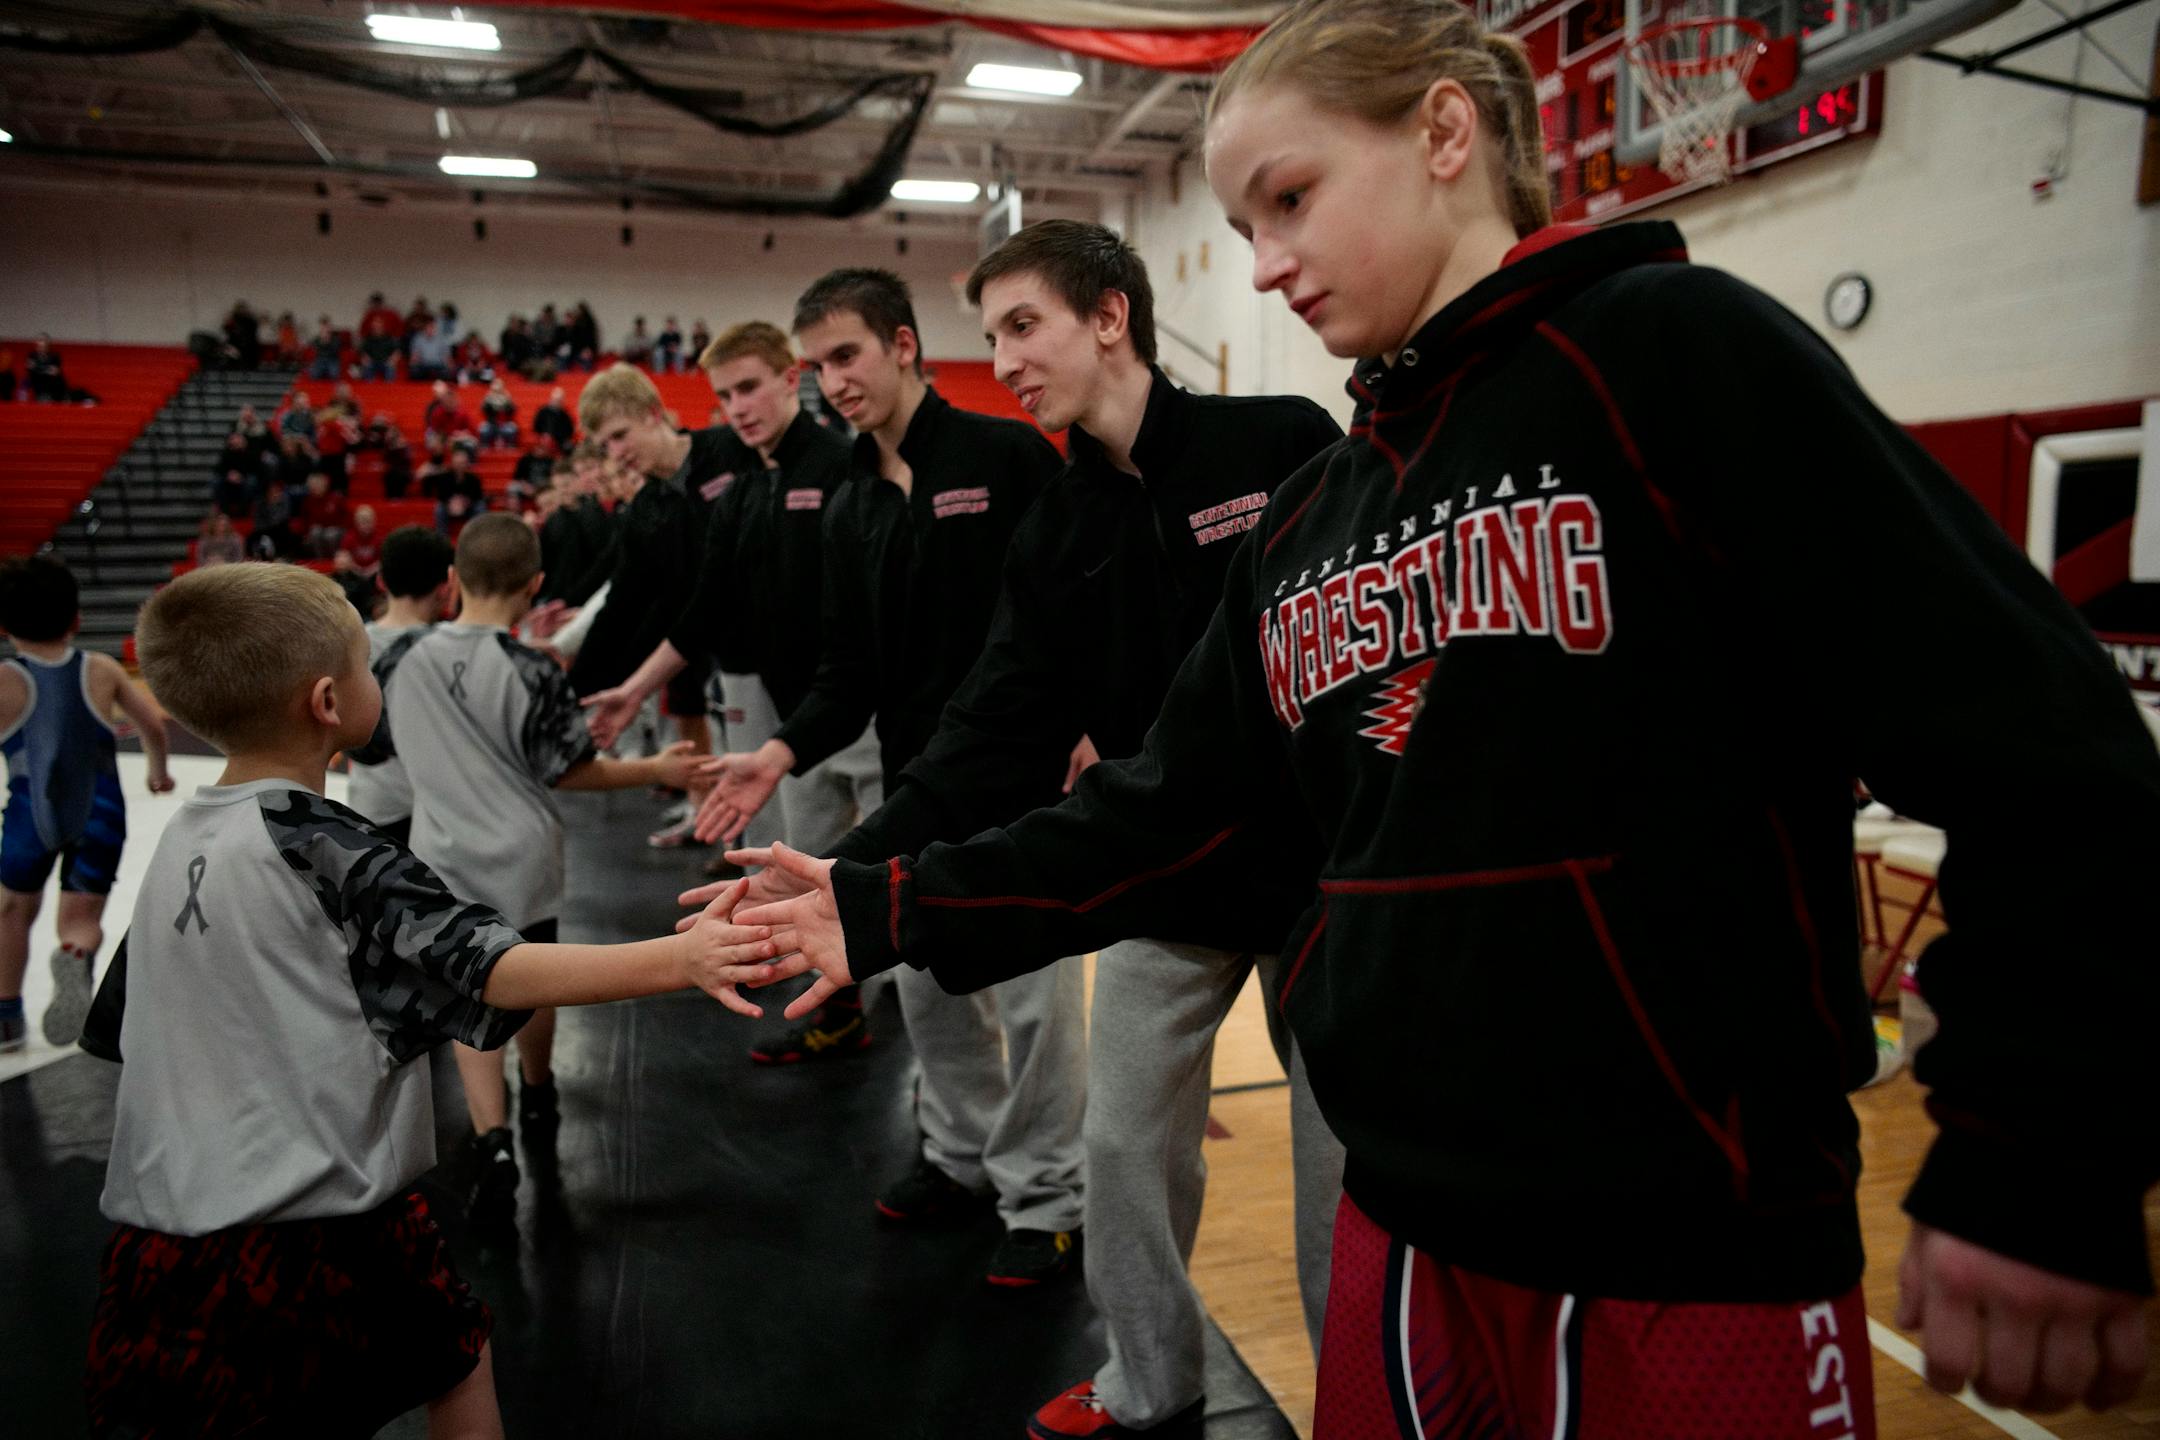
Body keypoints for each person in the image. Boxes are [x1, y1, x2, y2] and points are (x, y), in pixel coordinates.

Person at [733, 0, 2160, 1431]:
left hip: (1692, 1232)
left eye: (1290, 199)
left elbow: (2044, 749)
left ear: (1444, 131)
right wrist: (886, 901)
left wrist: (2034, 1154)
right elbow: (1166, 805)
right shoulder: (1319, 507)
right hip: (1405, 1227)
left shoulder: (1667, 350)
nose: (1267, 264)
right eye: (1242, 230)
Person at [720, 220, 1345, 1439]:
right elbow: (985, 730)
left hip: (1324, 886)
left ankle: (1357, 1412)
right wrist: (848, 870)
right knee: (1117, 1149)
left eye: (1022, 325)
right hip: (1168, 878)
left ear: (1109, 315)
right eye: (990, 332)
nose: (999, 358)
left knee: (1336, 1193)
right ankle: (1151, 1381)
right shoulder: (1058, 530)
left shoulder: (1280, 445)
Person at [81, 561, 782, 1438]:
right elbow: (493, 970)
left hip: (155, 1247)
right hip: (318, 1230)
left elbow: (119, 1031)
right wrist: (681, 959)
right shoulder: (329, 847)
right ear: (330, 703)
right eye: (369, 669)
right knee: (454, 1359)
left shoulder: (180, 841)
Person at [712, 270, 1088, 1287]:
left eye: (847, 356)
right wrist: (778, 752)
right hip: (915, 787)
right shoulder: (848, 507)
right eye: (817, 366)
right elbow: (850, 673)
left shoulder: (1005, 459)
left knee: (1034, 1008)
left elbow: (1083, 603)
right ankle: (961, 1159)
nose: (833, 382)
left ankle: (1049, 1196)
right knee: (926, 994)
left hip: (1028, 785)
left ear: (905, 346)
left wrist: (1097, 728)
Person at [356, 516, 711, 1223]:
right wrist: (656, 766)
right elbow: (572, 771)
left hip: (439, 851)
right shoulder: (533, 669)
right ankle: (541, 1085)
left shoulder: (400, 659)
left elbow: (370, 748)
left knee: (466, 988)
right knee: (532, 977)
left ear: (455, 579)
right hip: (522, 857)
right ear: (536, 585)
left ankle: (492, 1140)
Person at [578, 320, 872, 1033]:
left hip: (866, 706)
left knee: (880, 871)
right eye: (725, 394)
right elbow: (699, 606)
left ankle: (871, 1005)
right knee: (807, 859)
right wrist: (632, 686)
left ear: (788, 379)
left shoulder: (834, 464)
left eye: (749, 387)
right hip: (792, 708)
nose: (738, 406)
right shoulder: (744, 488)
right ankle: (837, 1010)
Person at [566, 364, 749, 845]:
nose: (616, 453)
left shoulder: (731, 450)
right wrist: (570, 691)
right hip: (709, 659)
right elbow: (621, 607)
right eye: (606, 445)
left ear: (653, 414)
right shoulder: (646, 509)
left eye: (621, 435)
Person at [0, 555, 172, 1053]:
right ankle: (75, 953)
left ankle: (7, 1017)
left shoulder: (7, 680)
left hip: (31, 814)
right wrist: (156, 773)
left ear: (5, 625)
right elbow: (154, 727)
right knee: (81, 917)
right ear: (76, 619)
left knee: (11, 909)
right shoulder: (100, 669)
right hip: (100, 815)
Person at [345, 526, 455, 844]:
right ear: (446, 584)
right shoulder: (455, 648)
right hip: (443, 810)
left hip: (374, 805)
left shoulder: (350, 645)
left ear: (381, 581)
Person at [537, 442, 617, 608]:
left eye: (590, 468)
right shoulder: (582, 514)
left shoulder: (624, 505)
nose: (587, 477)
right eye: (581, 473)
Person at [300, 470, 352, 558]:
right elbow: (305, 520)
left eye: (318, 484)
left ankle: (334, 558)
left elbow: (346, 517)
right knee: (315, 532)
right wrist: (305, 533)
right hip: (319, 530)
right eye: (313, 486)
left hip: (336, 529)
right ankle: (320, 559)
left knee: (330, 534)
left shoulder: (336, 498)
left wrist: (344, 529)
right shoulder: (308, 501)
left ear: (325, 484)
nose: (316, 488)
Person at [532, 386, 575, 451]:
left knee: (569, 447)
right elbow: (536, 426)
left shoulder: (565, 415)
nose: (556, 402)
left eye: (559, 401)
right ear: (551, 399)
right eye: (555, 400)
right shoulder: (542, 411)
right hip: (544, 438)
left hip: (560, 440)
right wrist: (543, 434)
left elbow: (570, 430)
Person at [24, 336, 65, 403]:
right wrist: (46, 369)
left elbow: (54, 372)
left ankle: (58, 398)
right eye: (39, 346)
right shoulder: (32, 355)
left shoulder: (54, 356)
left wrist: (38, 368)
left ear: (48, 347)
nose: (41, 349)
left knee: (58, 379)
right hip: (37, 382)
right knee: (32, 379)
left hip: (51, 383)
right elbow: (30, 368)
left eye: (43, 347)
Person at [480, 379, 519, 449]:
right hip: (491, 424)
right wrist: (486, 401)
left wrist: (509, 401)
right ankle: (484, 446)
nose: (497, 393)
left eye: (499, 390)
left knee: (512, 428)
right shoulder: (488, 399)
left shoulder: (507, 398)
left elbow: (513, 411)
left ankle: (511, 446)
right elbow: (484, 411)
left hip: (505, 423)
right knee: (483, 429)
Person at [306, 315, 342, 380]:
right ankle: (322, 371)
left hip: (332, 360)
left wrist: (327, 341)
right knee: (314, 375)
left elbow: (335, 350)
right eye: (323, 327)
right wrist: (322, 341)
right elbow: (315, 348)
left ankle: (325, 372)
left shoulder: (335, 338)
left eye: (327, 326)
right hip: (320, 360)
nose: (325, 329)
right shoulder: (317, 339)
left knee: (334, 375)